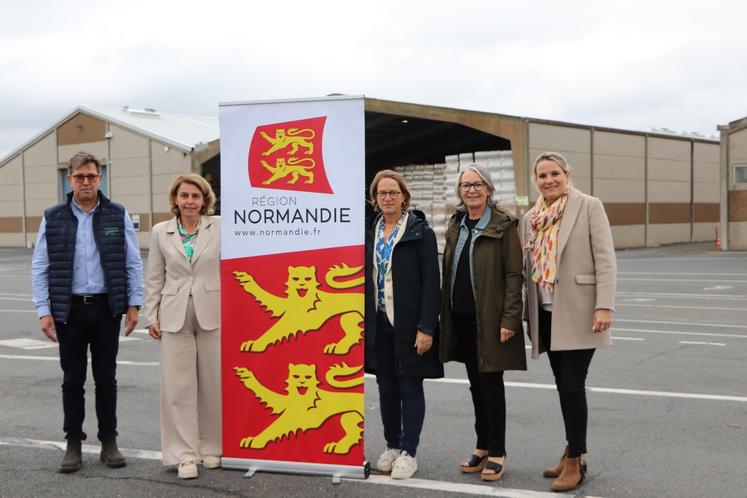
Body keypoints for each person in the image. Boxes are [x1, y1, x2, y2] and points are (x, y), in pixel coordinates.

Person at [31, 151, 143, 473]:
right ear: (70, 180)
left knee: (107, 378)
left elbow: (132, 262)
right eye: (79, 176)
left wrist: (133, 304)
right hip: (70, 312)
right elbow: (40, 266)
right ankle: (73, 443)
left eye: (92, 176)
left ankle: (109, 441)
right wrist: (44, 310)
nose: (86, 182)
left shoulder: (116, 214)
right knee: (72, 380)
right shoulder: (53, 217)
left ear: (100, 178)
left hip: (107, 309)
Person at [521, 152, 616, 492]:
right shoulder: (531, 216)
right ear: (535, 180)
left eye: (555, 174)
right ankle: (572, 449)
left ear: (567, 174)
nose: (549, 180)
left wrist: (604, 306)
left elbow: (605, 258)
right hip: (546, 313)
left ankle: (576, 460)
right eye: (542, 175)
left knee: (573, 386)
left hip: (579, 311)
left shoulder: (588, 206)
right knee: (564, 387)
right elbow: (527, 265)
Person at [439, 164, 525, 482]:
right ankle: (482, 445)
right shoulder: (457, 224)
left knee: (491, 385)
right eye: (466, 185)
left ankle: (498, 451)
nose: (471, 190)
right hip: (460, 318)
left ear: (488, 189)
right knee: (475, 386)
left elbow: (514, 275)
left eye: (477, 185)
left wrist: (510, 318)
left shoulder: (503, 225)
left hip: (490, 321)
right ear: (460, 191)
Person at [364, 169, 443, 480]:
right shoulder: (369, 231)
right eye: (382, 193)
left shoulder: (420, 232)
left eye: (393, 193)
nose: (387, 198)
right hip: (378, 321)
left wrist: (426, 328)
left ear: (404, 197)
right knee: (386, 388)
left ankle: (409, 451)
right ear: (375, 199)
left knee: (410, 386)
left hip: (409, 324)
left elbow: (430, 284)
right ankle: (392, 445)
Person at [143, 173, 222, 479]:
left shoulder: (219, 226)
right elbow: (154, 276)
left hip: (214, 312)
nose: (190, 201)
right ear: (175, 199)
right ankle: (184, 455)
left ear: (205, 200)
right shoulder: (161, 231)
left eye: (196, 196)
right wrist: (152, 315)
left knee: (212, 384)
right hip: (173, 314)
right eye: (184, 196)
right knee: (178, 388)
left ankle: (211, 447)